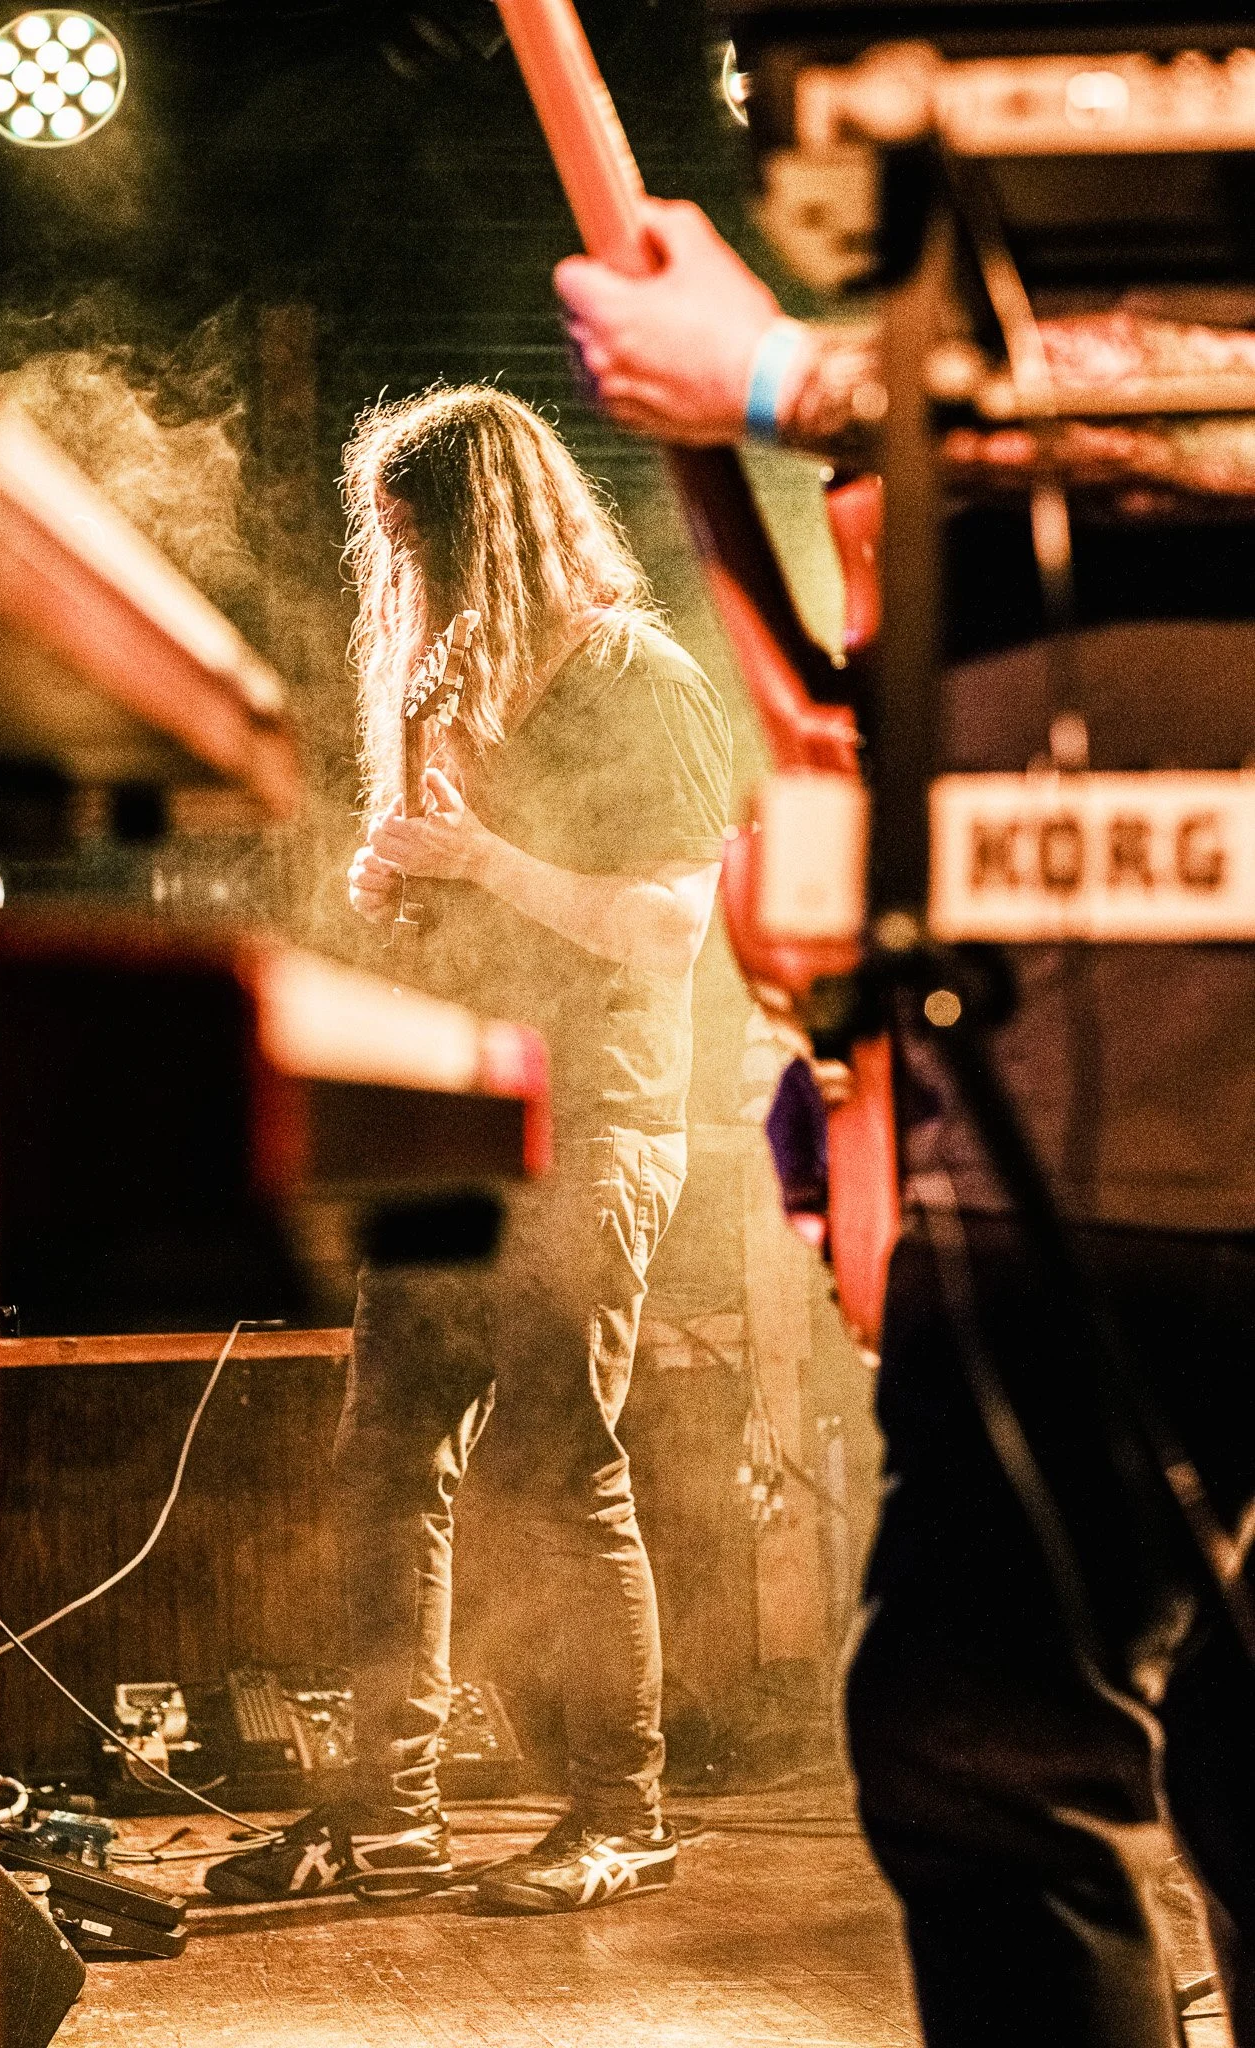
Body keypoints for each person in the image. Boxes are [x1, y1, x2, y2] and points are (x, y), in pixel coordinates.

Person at [555, 200, 1255, 2042]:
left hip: (1158, 1096)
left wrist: (782, 378)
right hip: (1049, 1086)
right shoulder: (977, 277)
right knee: (1072, 1749)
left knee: (1002, 1752)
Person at [208, 384, 731, 1913]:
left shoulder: (636, 678)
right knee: (388, 1460)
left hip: (593, 1123)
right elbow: (473, 917)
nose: (401, 573)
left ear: (483, 527)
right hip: (450, 1134)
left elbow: (667, 927)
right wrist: (401, 889)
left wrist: (483, 859)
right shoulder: (459, 685)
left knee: (562, 1470)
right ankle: (387, 1815)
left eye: (416, 540)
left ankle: (621, 1814)